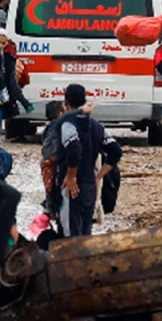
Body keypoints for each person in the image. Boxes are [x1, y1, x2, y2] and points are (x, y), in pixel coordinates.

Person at [55, 84, 122, 237]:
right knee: (85, 235)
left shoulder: (68, 124)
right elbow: (116, 151)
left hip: (71, 188)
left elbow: (74, 148)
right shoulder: (97, 126)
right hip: (89, 187)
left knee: (69, 236)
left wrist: (71, 176)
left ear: (65, 103)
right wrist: (98, 176)